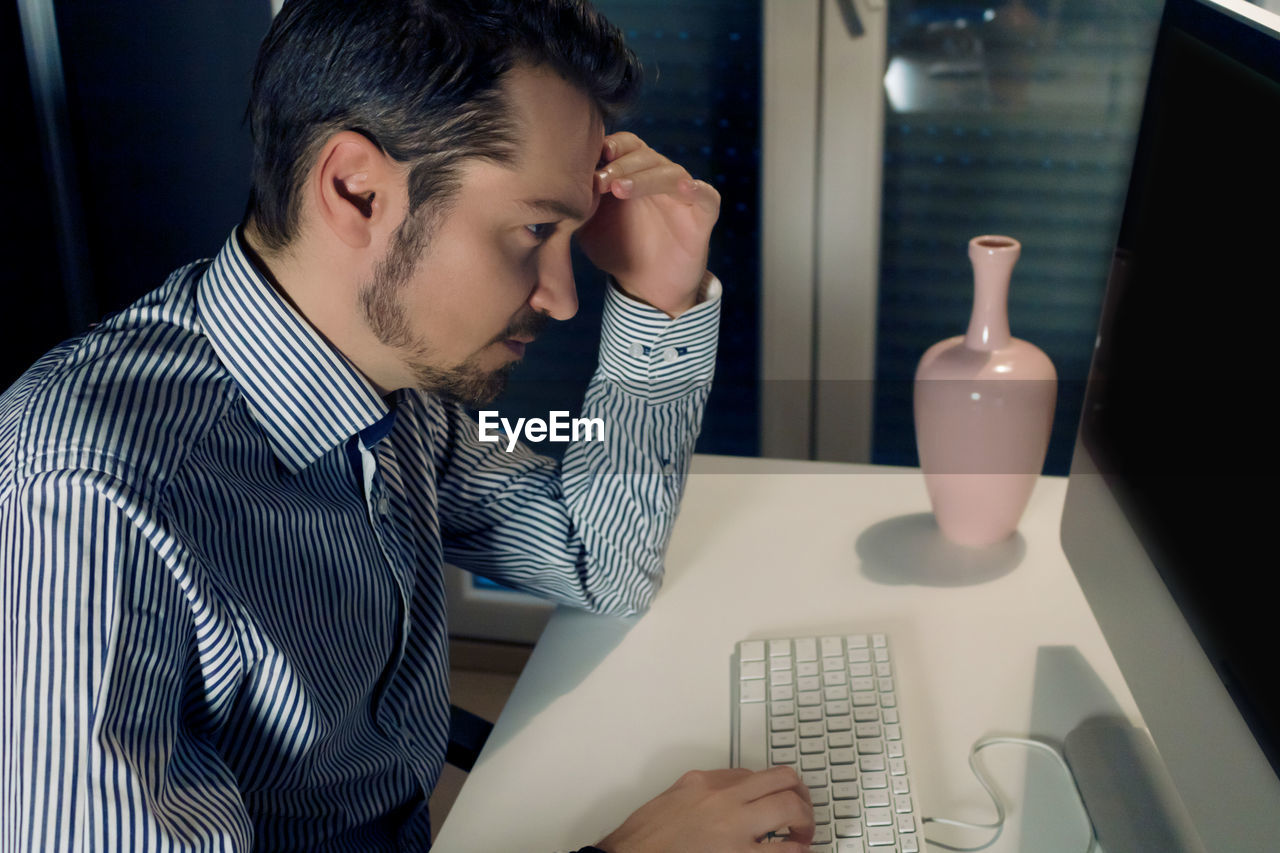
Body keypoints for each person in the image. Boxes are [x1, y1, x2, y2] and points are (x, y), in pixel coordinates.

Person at [0, 0, 815, 851]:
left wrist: (658, 299)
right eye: (535, 228)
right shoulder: (85, 495)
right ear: (357, 189)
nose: (564, 297)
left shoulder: (397, 386)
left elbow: (595, 557)